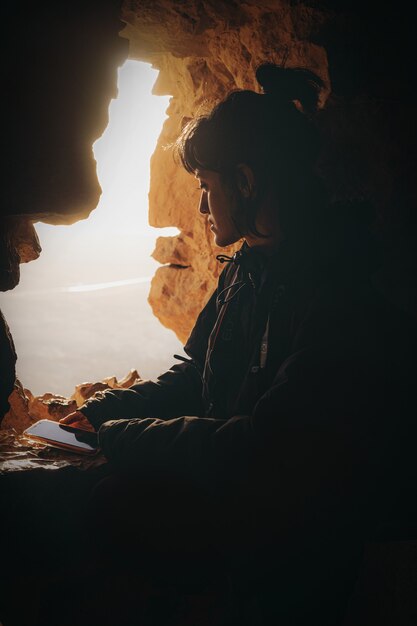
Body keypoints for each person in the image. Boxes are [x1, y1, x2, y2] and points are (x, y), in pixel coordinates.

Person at [57, 64, 416, 625]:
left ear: (245, 182)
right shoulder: (250, 266)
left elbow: (266, 446)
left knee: (108, 508)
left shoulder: (340, 295)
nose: (201, 207)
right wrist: (107, 411)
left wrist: (126, 438)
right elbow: (198, 373)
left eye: (206, 186)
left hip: (296, 546)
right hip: (249, 504)